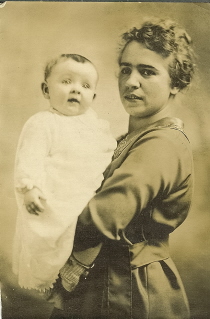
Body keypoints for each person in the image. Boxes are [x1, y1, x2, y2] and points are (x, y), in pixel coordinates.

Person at [49, 18, 196, 319]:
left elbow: (101, 217)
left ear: (176, 83)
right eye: (126, 69)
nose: (131, 81)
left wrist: (40, 231)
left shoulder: (163, 144)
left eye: (147, 72)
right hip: (101, 280)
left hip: (129, 289)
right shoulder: (124, 141)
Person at [12, 54, 117, 292]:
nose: (76, 90)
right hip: (57, 194)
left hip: (85, 192)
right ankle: (59, 273)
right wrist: (31, 188)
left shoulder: (95, 125)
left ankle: (77, 266)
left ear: (93, 96)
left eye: (85, 85)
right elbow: (30, 158)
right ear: (46, 89)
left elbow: (107, 151)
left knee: (92, 231)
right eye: (66, 81)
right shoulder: (43, 123)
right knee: (50, 237)